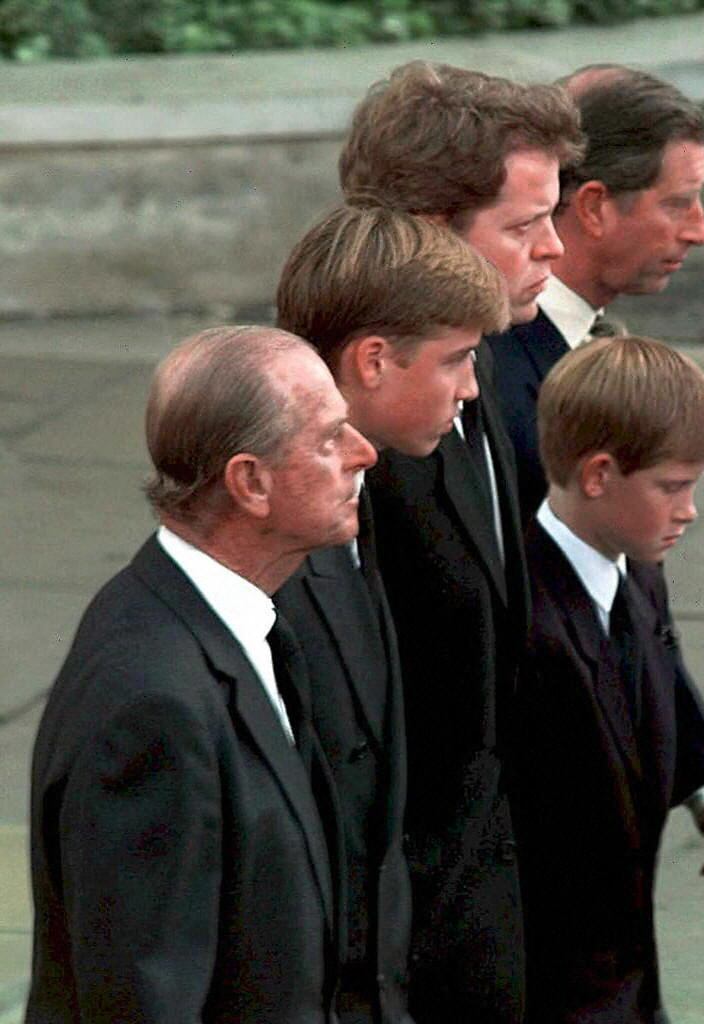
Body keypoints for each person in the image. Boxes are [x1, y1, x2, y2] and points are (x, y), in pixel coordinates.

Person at [27, 326, 376, 1023]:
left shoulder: (234, 623)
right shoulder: (153, 706)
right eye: (331, 439)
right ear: (250, 482)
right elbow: (144, 998)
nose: (365, 454)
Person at [339, 61, 584, 1024]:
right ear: (432, 234)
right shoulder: (360, 457)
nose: (554, 251)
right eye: (525, 228)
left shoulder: (485, 375)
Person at [274, 204, 509, 1024]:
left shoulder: (360, 505)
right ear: (373, 360)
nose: (474, 388)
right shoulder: (284, 558)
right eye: (457, 360)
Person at [515, 334, 704, 1023]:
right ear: (598, 474)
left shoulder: (639, 574)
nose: (688, 509)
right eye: (672, 487)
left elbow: (661, 675)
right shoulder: (526, 628)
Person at [488, 65, 704, 524]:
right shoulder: (492, 375)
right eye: (676, 204)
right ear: (593, 208)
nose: (700, 231)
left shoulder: (561, 344)